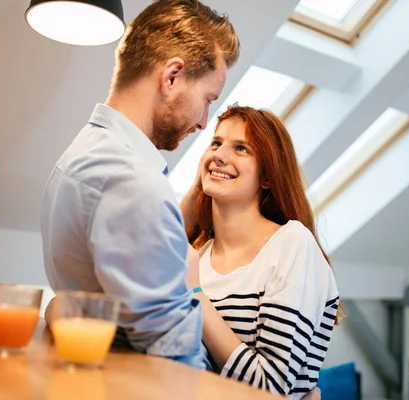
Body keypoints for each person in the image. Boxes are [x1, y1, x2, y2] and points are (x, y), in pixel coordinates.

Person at [41, 0, 239, 369]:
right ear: (172, 77)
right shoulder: (133, 181)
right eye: (208, 99)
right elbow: (175, 359)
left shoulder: (81, 152)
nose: (202, 122)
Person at [181, 105, 341, 397]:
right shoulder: (197, 258)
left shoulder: (292, 245)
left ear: (267, 178)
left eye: (241, 148)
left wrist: (195, 295)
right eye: (216, 143)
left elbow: (271, 388)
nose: (219, 154)